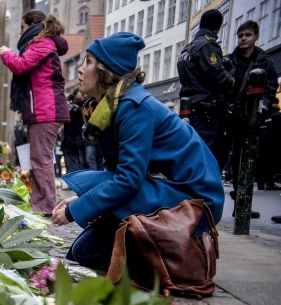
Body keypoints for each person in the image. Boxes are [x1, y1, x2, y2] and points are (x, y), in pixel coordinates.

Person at [51, 32, 225, 270]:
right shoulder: (114, 105)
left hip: (194, 202)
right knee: (85, 251)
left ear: (106, 72)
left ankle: (168, 252)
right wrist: (82, 200)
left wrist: (74, 211)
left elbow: (128, 179)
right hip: (166, 189)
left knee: (92, 251)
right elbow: (122, 174)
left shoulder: (134, 107)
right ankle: (149, 251)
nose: (80, 70)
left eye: (88, 62)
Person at [0, 10, 70, 215]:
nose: (21, 32)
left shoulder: (42, 43)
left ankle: (46, 206)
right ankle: (39, 203)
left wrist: (6, 53)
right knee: (40, 159)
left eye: (22, 27)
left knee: (41, 160)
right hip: (43, 110)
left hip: (44, 110)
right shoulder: (44, 43)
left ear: (32, 25)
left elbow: (21, 65)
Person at [224, 20, 281, 192]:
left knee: (246, 157)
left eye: (248, 35)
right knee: (227, 156)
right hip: (232, 113)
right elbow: (225, 86)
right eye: (240, 36)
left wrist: (261, 109)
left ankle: (242, 200)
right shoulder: (231, 62)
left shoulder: (265, 62)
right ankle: (234, 197)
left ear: (256, 36)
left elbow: (270, 88)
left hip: (252, 116)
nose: (243, 39)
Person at [177, 9, 235, 170]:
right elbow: (218, 77)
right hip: (206, 108)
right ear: (218, 27)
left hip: (189, 106)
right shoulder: (207, 46)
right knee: (206, 153)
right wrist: (231, 78)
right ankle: (204, 191)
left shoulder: (187, 48)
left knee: (190, 149)